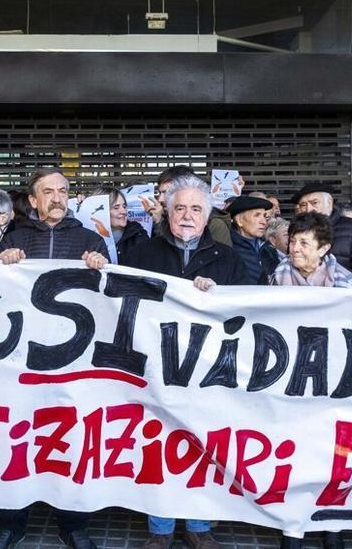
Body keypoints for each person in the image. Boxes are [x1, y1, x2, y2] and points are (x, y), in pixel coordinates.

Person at [122, 175, 246, 549]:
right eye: (179, 208)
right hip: (155, 370)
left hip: (206, 373)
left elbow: (246, 313)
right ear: (168, 212)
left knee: (203, 448)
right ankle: (160, 529)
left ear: (207, 217)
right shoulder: (142, 254)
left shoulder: (229, 260)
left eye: (195, 209)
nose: (187, 216)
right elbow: (123, 300)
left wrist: (218, 297)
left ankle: (198, 524)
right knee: (158, 448)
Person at [0, 169, 107, 549]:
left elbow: (112, 293)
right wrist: (1, 261)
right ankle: (11, 522)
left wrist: (100, 265)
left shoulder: (90, 239)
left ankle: (73, 523)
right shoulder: (15, 238)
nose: (57, 197)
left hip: (75, 361)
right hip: (20, 360)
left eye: (63, 190)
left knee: (71, 438)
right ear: (34, 200)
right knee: (16, 437)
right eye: (48, 192)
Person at [271, 212, 352, 549]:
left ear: (323, 248)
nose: (294, 248)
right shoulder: (278, 276)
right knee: (294, 456)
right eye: (293, 241)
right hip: (292, 383)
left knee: (332, 459)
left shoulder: (348, 283)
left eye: (303, 243)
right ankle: (292, 526)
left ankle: (332, 524)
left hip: (333, 384)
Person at [290, 183, 352, 289]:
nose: (309, 209)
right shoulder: (295, 232)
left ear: (330, 202)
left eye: (314, 203)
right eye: (303, 205)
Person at [149, 166, 231, 246]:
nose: (160, 199)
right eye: (160, 193)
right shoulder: (164, 216)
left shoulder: (215, 224)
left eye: (166, 192)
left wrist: (159, 222)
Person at [228, 195, 278, 284]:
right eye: (257, 215)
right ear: (239, 220)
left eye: (264, 216)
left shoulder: (268, 248)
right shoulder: (229, 248)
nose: (263, 222)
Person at [93, 187, 147, 264]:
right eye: (116, 207)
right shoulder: (88, 237)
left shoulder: (138, 234)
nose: (124, 211)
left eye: (124, 206)